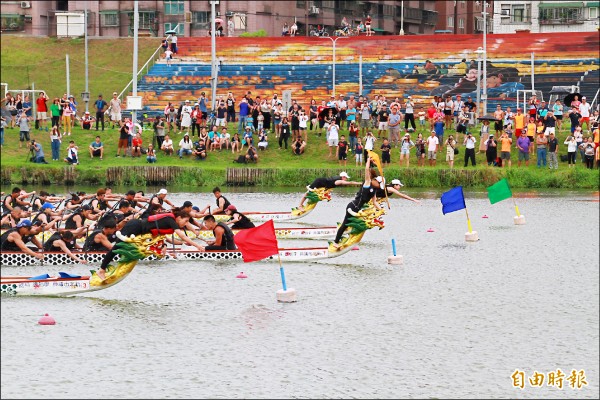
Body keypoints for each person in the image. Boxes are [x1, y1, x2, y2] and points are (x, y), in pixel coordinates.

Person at [96, 209, 203, 280]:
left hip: (139, 231)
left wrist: (194, 232)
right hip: (135, 226)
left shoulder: (170, 221)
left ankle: (113, 267)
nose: (185, 224)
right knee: (117, 247)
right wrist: (197, 246)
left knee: (126, 249)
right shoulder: (171, 220)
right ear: (179, 217)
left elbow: (159, 235)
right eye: (185, 221)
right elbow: (183, 236)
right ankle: (102, 270)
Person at [332, 158, 383, 247]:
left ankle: (350, 237)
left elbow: (375, 202)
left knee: (360, 222)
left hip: (358, 210)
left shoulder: (374, 190)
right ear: (375, 180)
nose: (379, 186)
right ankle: (335, 242)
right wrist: (368, 161)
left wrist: (381, 210)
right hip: (352, 207)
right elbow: (367, 170)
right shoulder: (367, 182)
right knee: (344, 224)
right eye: (379, 184)